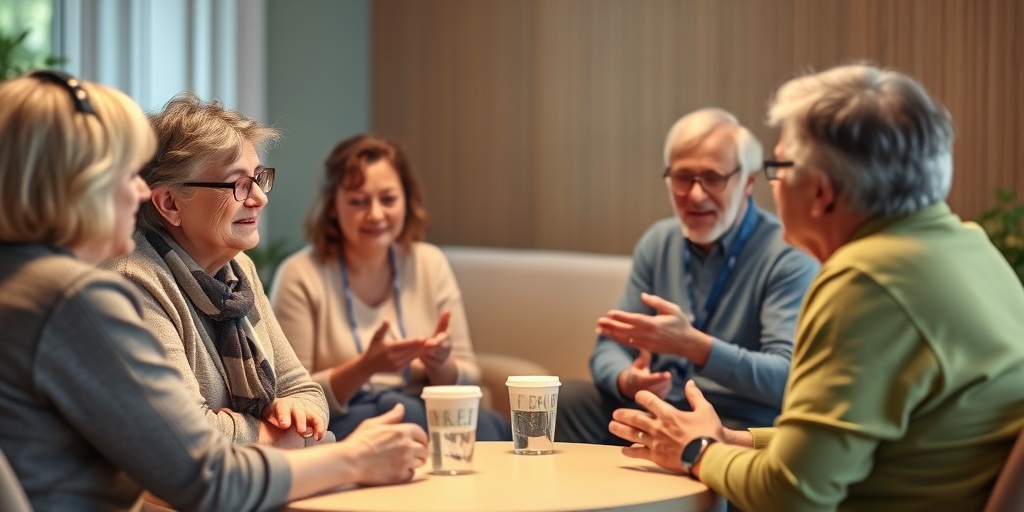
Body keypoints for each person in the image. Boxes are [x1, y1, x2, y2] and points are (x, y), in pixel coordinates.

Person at [0, 70, 426, 511]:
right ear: (75, 185)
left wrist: (246, 429)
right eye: (126, 173)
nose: (139, 191)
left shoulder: (21, 283)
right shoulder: (75, 298)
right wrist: (353, 459)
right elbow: (207, 477)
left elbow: (296, 390)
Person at [610, 63, 1024, 511]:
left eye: (778, 164)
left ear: (822, 192)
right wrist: (736, 440)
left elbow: (792, 496)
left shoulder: (864, 283)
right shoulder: (969, 246)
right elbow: (848, 434)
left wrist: (697, 453)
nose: (773, 182)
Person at [556, 108, 819, 444]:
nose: (695, 196)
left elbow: (786, 378)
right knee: (571, 402)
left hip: (733, 420)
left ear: (748, 182)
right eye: (683, 178)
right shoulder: (659, 241)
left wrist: (695, 347)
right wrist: (627, 380)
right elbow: (610, 345)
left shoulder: (786, 252)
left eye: (713, 178)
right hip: (663, 406)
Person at [101, 92, 331, 448]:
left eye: (259, 178)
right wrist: (277, 434)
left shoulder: (238, 269)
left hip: (243, 483)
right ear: (170, 203)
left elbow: (305, 390)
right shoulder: (133, 281)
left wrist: (289, 413)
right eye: (237, 184)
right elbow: (186, 434)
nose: (259, 198)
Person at [270, 134, 510, 441]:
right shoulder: (300, 274)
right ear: (332, 206)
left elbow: (468, 376)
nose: (376, 214)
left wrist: (441, 364)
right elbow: (291, 396)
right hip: (346, 421)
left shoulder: (429, 262)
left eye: (388, 199)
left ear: (407, 201)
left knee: (490, 429)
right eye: (358, 201)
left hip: (426, 409)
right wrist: (365, 367)